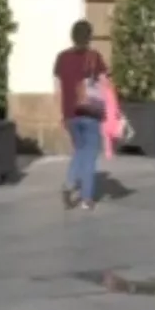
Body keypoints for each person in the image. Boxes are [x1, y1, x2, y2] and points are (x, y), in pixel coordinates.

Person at [53, 19, 109, 211]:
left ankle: (69, 185)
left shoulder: (61, 58)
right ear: (89, 37)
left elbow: (57, 88)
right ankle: (86, 198)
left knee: (80, 150)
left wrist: (61, 113)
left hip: (70, 114)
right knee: (90, 154)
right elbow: (104, 85)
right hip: (90, 112)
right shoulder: (95, 57)